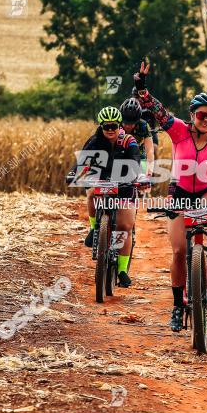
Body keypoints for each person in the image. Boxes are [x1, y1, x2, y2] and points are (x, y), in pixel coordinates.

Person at [133, 60, 207, 332]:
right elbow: (158, 111)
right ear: (193, 115)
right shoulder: (179, 131)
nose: (206, 121)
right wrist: (142, 89)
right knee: (178, 251)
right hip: (180, 192)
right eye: (201, 116)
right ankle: (176, 306)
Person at [66, 106, 146, 288]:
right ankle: (95, 228)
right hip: (101, 178)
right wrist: (72, 173)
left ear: (119, 126)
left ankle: (122, 270)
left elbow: (135, 160)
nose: (110, 130)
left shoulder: (128, 140)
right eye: (106, 126)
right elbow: (81, 162)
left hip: (124, 181)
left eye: (114, 126)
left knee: (124, 227)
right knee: (92, 192)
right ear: (101, 126)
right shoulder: (95, 141)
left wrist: (138, 177)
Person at [120, 97, 156, 175]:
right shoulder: (116, 124)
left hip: (139, 157)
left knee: (145, 184)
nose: (128, 126)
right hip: (119, 157)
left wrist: (150, 169)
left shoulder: (143, 125)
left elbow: (150, 150)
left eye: (132, 123)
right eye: (125, 123)